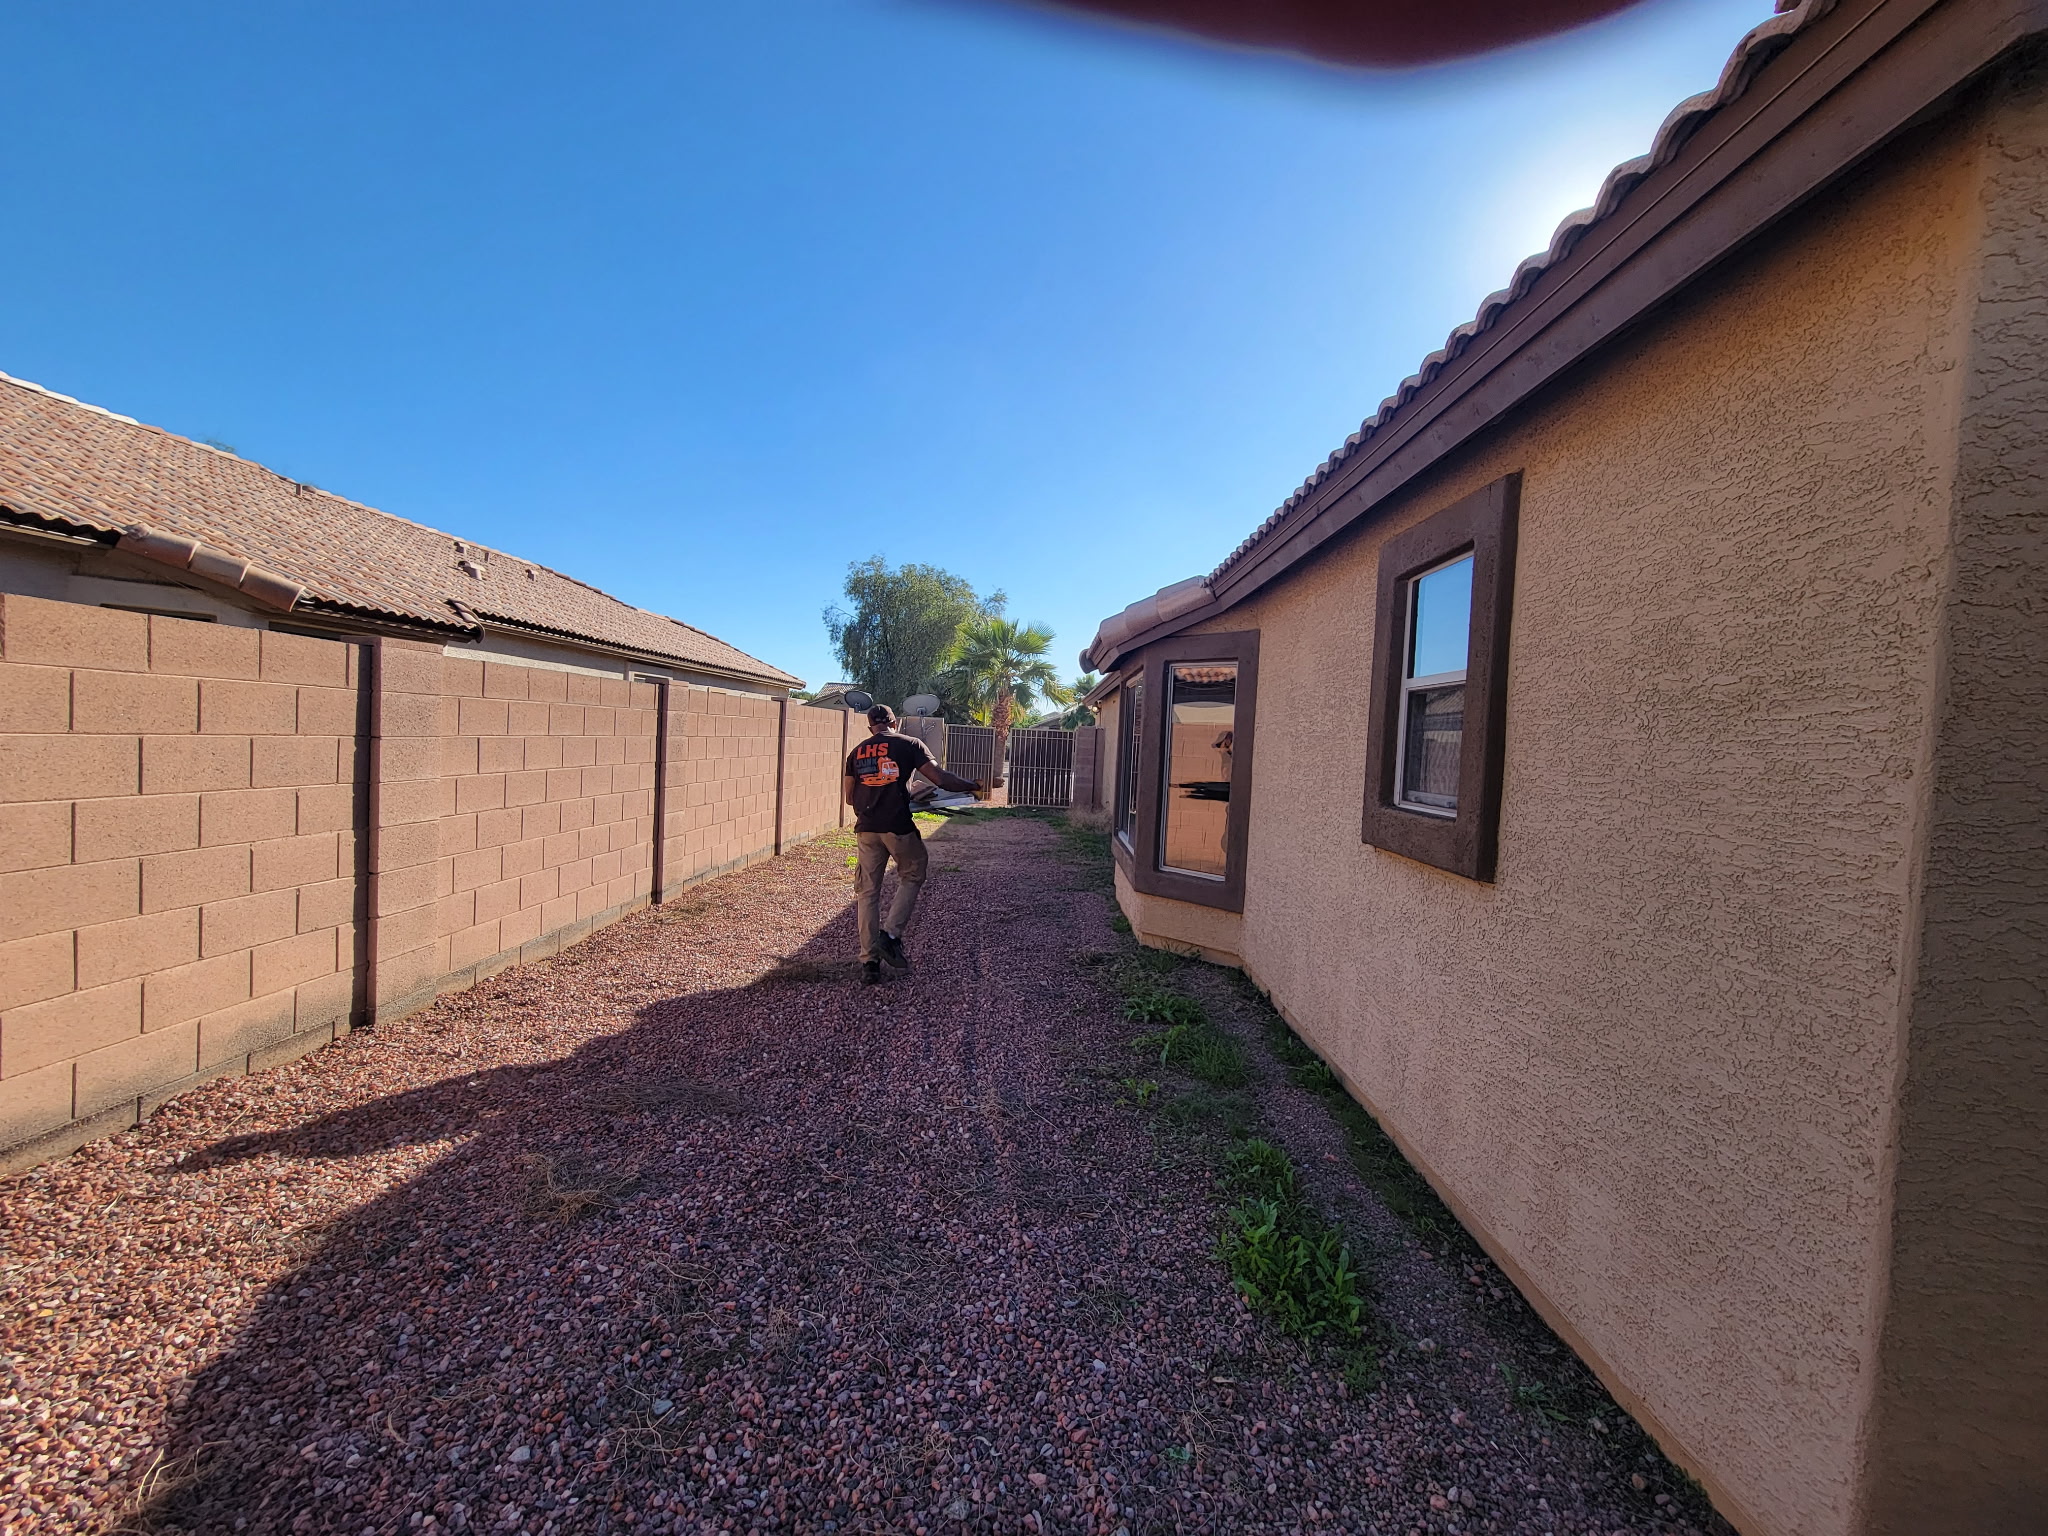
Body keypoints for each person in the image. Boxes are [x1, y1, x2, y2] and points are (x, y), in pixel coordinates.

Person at [843, 704, 984, 984]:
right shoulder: (910, 744)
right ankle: (890, 935)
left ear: (870, 726)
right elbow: (940, 778)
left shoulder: (856, 752)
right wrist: (973, 785)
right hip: (897, 826)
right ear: (895, 722)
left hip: (867, 829)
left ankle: (869, 962)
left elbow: (850, 797)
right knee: (914, 870)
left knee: (868, 892)